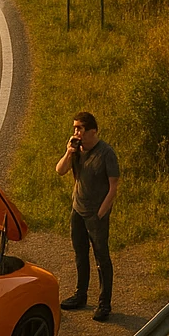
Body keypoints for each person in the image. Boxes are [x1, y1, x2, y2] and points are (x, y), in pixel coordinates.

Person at [55, 111, 120, 321]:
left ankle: (104, 304)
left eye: (80, 128)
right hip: (78, 210)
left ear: (93, 131)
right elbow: (60, 170)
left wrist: (101, 213)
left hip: (96, 215)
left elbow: (113, 186)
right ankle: (80, 295)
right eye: (75, 128)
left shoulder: (106, 153)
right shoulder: (76, 151)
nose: (76, 132)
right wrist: (68, 152)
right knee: (80, 255)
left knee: (102, 258)